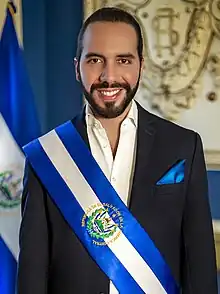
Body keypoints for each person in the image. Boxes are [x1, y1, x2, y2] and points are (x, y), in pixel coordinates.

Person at [17, 7, 218, 294]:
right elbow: (31, 276)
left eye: (123, 60)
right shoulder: (45, 156)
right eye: (96, 59)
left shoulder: (185, 147)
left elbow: (200, 269)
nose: (109, 76)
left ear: (141, 66)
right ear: (77, 68)